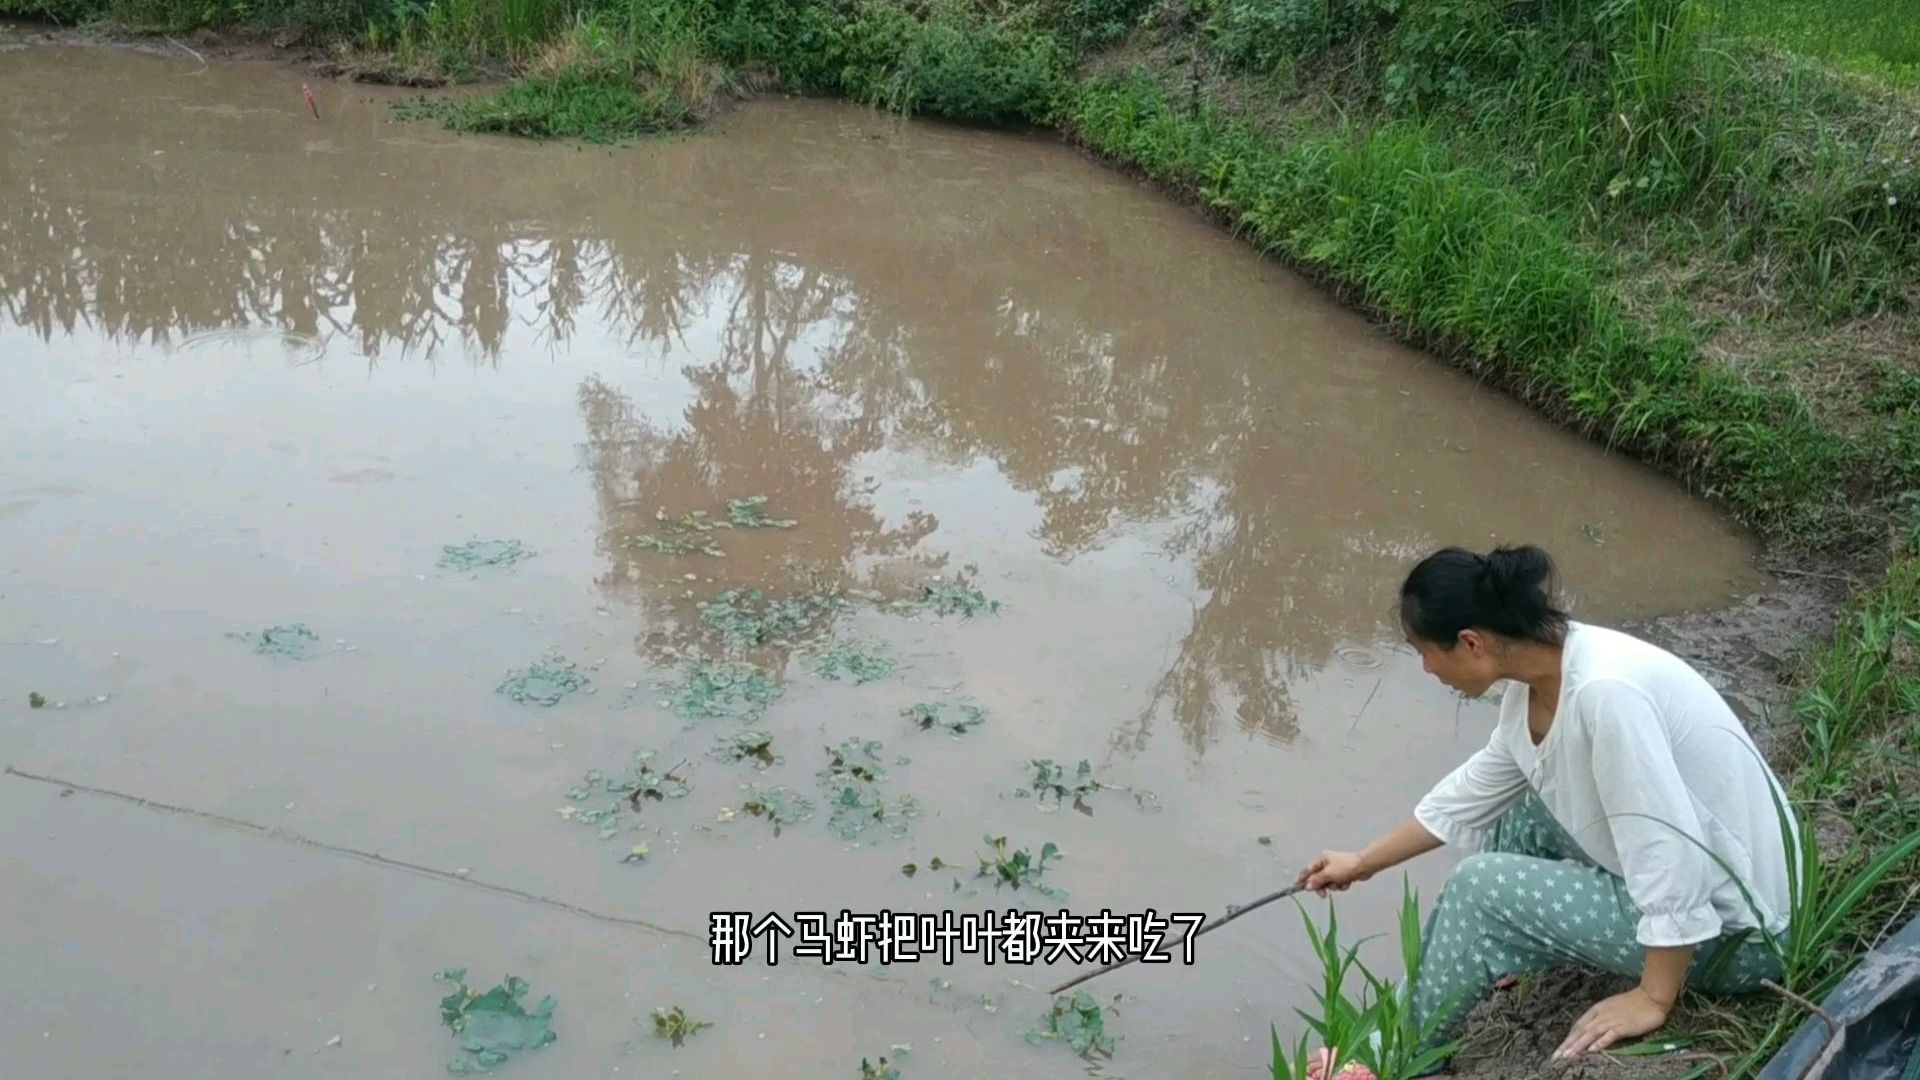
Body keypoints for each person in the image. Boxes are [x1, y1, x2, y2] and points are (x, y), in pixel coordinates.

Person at [1297, 544, 1796, 1078]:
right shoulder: (1547, 675)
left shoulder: (1606, 695)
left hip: (1745, 934)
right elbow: (1472, 792)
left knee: (1480, 891)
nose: (1425, 667)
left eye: (1424, 652)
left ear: (1471, 642)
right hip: (1727, 885)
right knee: (1523, 812)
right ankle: (1455, 981)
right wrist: (1363, 861)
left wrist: (1653, 997)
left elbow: (1667, 852)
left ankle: (1387, 1057)